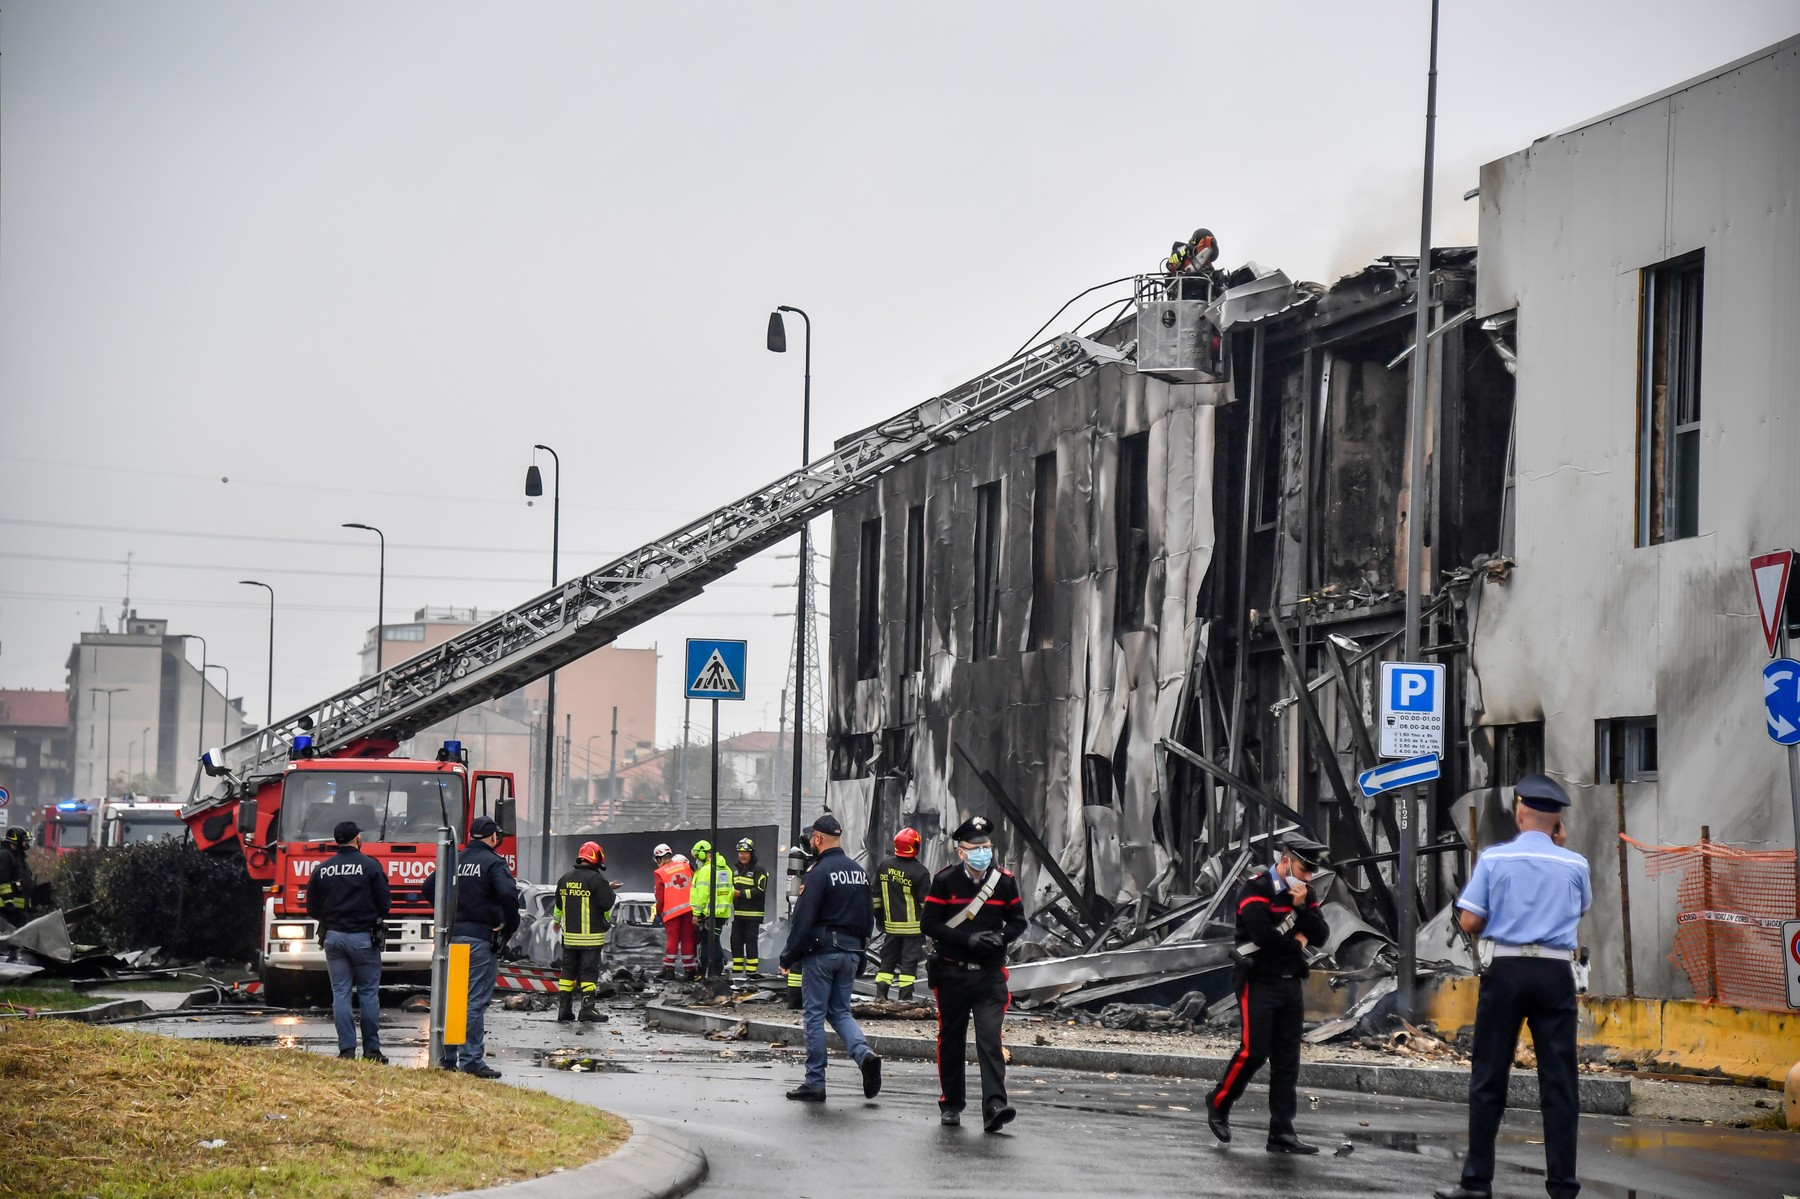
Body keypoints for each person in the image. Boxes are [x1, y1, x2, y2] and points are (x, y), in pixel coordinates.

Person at [1435, 774, 1592, 1199]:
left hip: (1505, 971)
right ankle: (1562, 1187)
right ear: (1557, 821)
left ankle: (1476, 1183)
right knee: (1560, 1082)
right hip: (1556, 974)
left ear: (1520, 812)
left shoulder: (1493, 858)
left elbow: (1469, 920)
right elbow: (1578, 910)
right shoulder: (1576, 864)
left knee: (1489, 1077)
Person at [1205, 831, 1332, 1153]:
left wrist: (1302, 907)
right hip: (1258, 980)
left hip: (1290, 982)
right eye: (1304, 870)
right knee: (1254, 1050)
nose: (1308, 877)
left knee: (1287, 1059)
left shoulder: (1306, 893)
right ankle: (1219, 1102)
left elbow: (1321, 934)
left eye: (1311, 873)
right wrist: (1297, 942)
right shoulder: (1256, 889)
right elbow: (1263, 937)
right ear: (1286, 861)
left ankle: (1281, 1132)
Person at [920, 816, 1027, 1132]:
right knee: (951, 1041)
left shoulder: (1004, 882)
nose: (983, 851)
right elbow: (930, 924)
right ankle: (951, 1104)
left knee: (990, 1039)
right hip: (952, 973)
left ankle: (995, 1105)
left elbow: (1018, 921)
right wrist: (967, 939)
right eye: (975, 847)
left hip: (990, 976)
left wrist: (1003, 937)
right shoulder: (945, 881)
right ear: (961, 852)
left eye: (986, 846)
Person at [779, 813, 882, 1103]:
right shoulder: (857, 871)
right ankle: (865, 1056)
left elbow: (803, 919)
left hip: (823, 954)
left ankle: (815, 1082)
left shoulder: (818, 872)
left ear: (818, 838)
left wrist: (788, 956)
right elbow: (867, 917)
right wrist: (861, 952)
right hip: (851, 953)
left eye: (812, 838)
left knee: (814, 1015)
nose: (811, 842)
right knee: (840, 1012)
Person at [421, 815, 518, 1078]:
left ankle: (449, 1056)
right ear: (493, 837)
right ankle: (472, 1061)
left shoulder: (456, 859)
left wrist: (449, 911)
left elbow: (428, 887)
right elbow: (509, 894)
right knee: (474, 1000)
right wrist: (508, 924)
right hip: (479, 939)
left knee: (453, 999)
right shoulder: (493, 863)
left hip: (453, 936)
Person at [305, 820, 392, 1062]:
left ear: (336, 841)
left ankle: (346, 1050)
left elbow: (312, 906)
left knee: (340, 993)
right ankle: (372, 1050)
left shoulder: (323, 868)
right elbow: (385, 903)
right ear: (357, 839)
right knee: (367, 994)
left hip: (333, 937)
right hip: (363, 938)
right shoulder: (370, 866)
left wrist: (331, 919)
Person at [553, 840, 613, 1023]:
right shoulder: (596, 879)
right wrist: (609, 889)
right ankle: (587, 1009)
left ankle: (564, 1010)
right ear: (596, 857)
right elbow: (606, 903)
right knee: (588, 974)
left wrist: (556, 921)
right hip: (590, 939)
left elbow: (558, 905)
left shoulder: (564, 878)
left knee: (567, 973)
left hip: (569, 938)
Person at [873, 827, 931, 1001]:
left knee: (887, 961)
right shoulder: (920, 871)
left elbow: (876, 897)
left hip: (891, 928)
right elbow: (926, 904)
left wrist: (879, 919)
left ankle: (880, 995)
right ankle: (905, 998)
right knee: (908, 965)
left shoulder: (885, 866)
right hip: (913, 930)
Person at [689, 839, 735, 978]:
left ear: (704, 854)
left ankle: (707, 972)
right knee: (714, 941)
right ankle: (716, 971)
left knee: (708, 943)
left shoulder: (705, 871)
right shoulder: (726, 869)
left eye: (697, 856)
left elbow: (702, 895)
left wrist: (696, 913)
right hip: (721, 914)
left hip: (708, 914)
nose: (697, 860)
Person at [652, 845, 695, 980]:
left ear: (659, 858)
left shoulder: (661, 872)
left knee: (672, 940)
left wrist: (658, 913)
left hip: (672, 913)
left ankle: (669, 970)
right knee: (688, 939)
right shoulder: (686, 867)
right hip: (690, 910)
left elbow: (660, 897)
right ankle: (690, 970)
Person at [730, 837, 768, 978]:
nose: (743, 855)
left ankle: (752, 973)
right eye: (740, 852)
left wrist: (741, 894)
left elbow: (760, 890)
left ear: (752, 854)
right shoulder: (735, 871)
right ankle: (737, 972)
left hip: (753, 915)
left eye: (746, 852)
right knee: (735, 942)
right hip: (739, 915)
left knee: (751, 943)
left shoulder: (759, 869)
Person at [0, 826, 34, 928]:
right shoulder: (5, 855)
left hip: (19, 910)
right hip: (7, 910)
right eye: (25, 841)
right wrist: (8, 902)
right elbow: (2, 881)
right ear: (16, 841)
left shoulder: (18, 856)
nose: (27, 844)